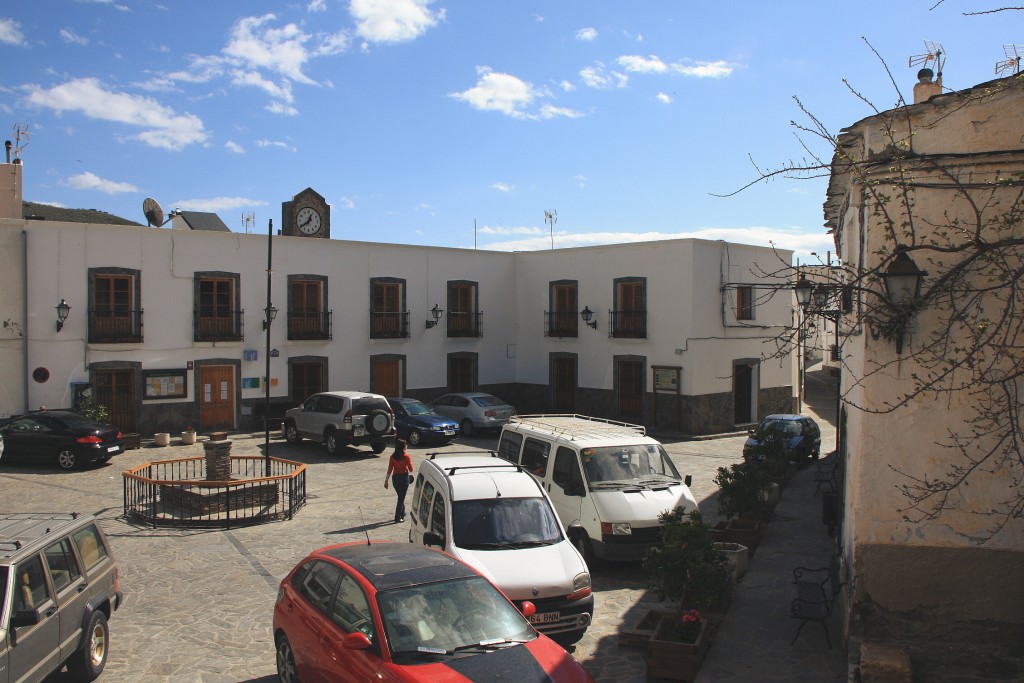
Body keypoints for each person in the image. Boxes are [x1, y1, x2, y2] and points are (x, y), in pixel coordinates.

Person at [384, 438, 414, 523]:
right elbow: (411, 469)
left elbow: (390, 469)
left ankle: (402, 512)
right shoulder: (406, 456)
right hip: (404, 478)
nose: (406, 446)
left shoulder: (392, 457)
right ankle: (398, 517)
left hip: (395, 479)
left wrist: (386, 480)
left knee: (400, 496)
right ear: (403, 447)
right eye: (405, 445)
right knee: (401, 499)